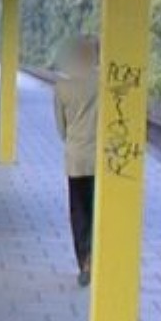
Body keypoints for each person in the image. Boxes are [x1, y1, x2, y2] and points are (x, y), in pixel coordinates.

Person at [54, 36, 99, 287]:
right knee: (98, 210)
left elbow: (61, 129)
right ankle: (100, 254)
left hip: (76, 158)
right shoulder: (104, 82)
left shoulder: (63, 86)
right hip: (101, 158)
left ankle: (84, 261)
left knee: (79, 211)